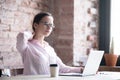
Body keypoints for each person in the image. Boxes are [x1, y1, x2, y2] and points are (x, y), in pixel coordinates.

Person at [16, 12, 83, 75]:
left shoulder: (49, 49)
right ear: (35, 25)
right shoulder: (26, 46)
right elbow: (22, 36)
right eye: (46, 24)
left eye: (51, 25)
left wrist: (81, 70)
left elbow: (62, 68)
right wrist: (32, 35)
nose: (49, 27)